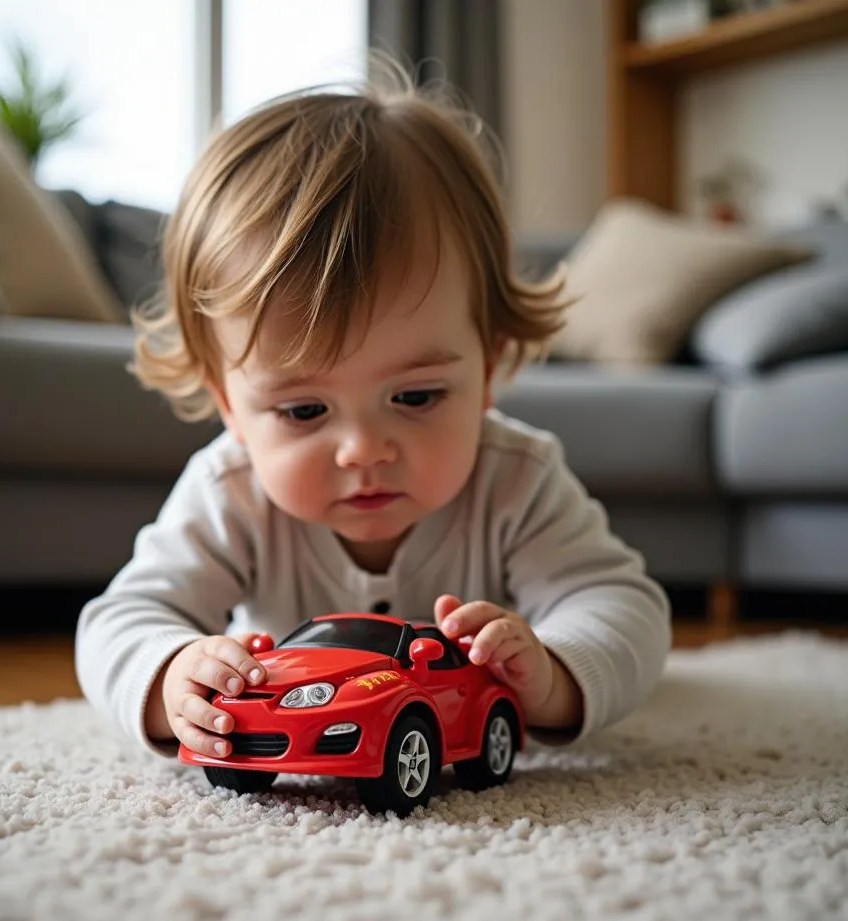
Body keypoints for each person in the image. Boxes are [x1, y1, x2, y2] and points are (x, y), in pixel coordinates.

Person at [75, 61, 671, 764]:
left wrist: (555, 672)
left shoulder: (518, 479)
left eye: (415, 397)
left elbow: (623, 606)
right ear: (228, 406)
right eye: (302, 410)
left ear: (487, 368)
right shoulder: (229, 492)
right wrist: (172, 674)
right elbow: (122, 620)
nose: (362, 449)